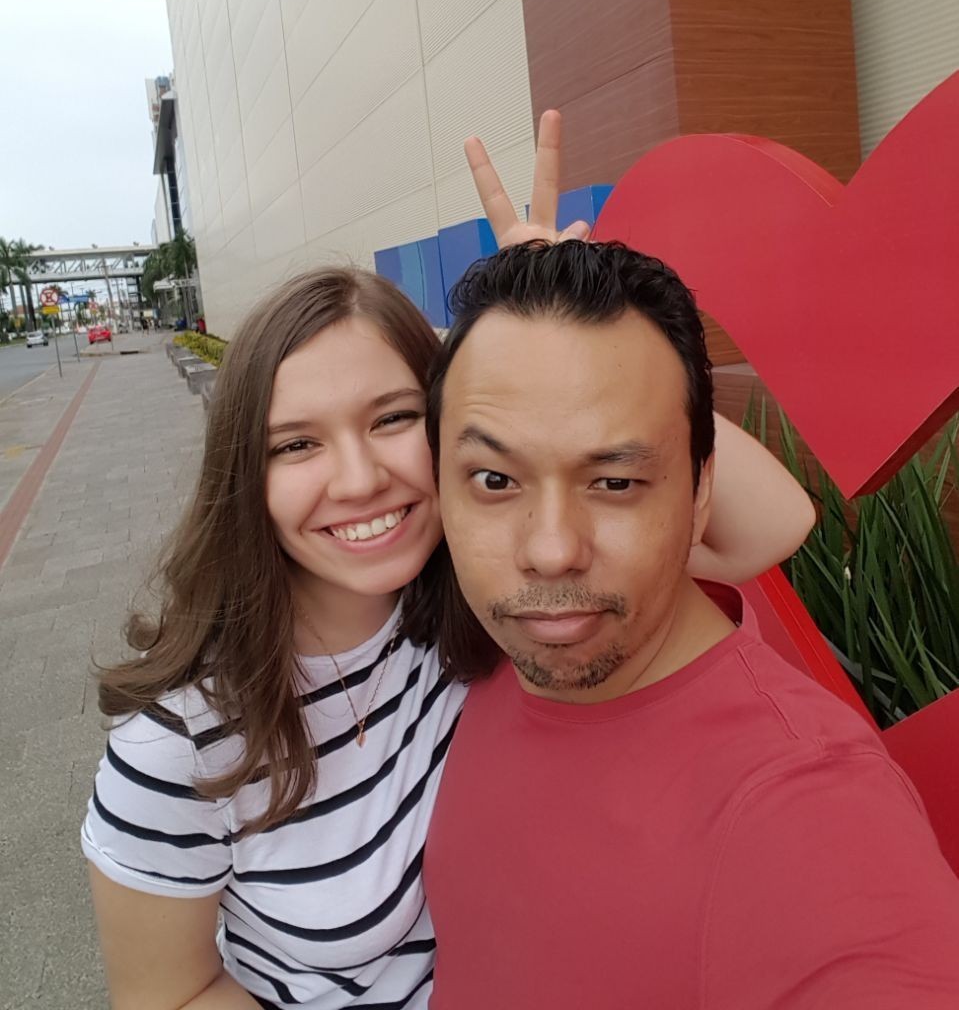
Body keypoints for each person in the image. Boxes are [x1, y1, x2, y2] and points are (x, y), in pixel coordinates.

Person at [82, 116, 814, 1009]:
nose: (359, 479)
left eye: (392, 419)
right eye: (297, 444)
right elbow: (169, 995)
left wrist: (564, 335)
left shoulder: (488, 603)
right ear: (246, 475)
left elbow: (774, 525)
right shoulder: (181, 742)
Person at [422, 239, 959, 1009]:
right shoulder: (476, 651)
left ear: (701, 495)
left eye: (615, 481)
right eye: (494, 479)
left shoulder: (803, 804)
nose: (550, 551)